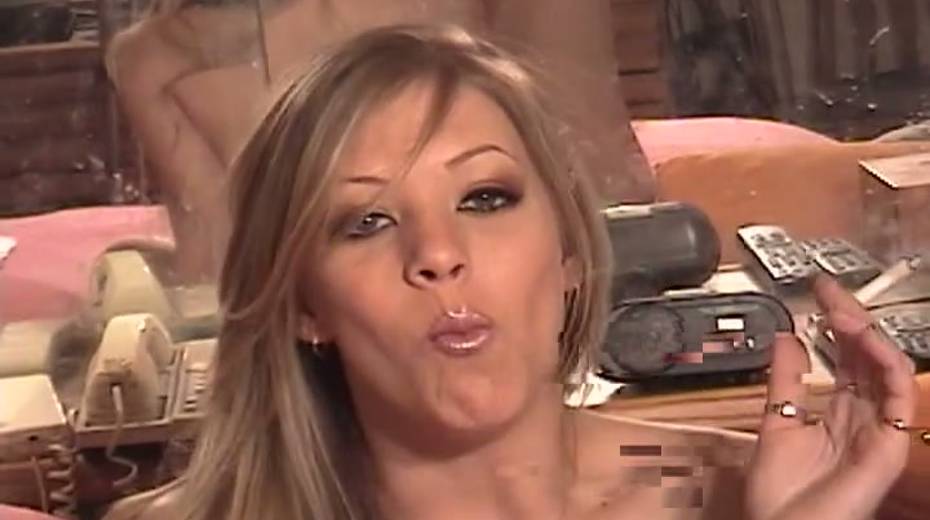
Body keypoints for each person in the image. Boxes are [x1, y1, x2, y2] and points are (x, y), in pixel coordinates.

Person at [104, 25, 916, 520]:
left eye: (485, 198)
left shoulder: (750, 496)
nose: (438, 254)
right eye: (367, 222)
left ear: (567, 253)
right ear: (301, 305)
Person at [105, 0, 654, 283]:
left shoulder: (150, 60)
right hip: (355, 335)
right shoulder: (151, 61)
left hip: (551, 291)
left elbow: (221, 274)